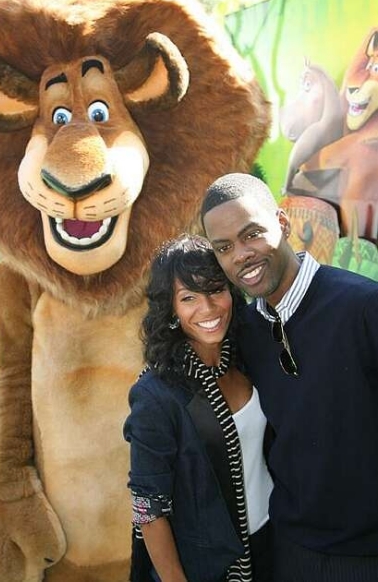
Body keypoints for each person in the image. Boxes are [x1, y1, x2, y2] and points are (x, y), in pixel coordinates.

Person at [201, 172, 378, 582]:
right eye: (224, 248)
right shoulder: (242, 330)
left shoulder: (362, 308)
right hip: (291, 550)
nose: (240, 255)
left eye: (252, 235)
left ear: (282, 224)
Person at [124, 233, 274, 582]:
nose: (207, 308)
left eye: (215, 289)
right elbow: (149, 508)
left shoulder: (245, 358)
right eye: (188, 297)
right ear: (171, 309)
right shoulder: (157, 393)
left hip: (273, 537)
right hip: (209, 565)